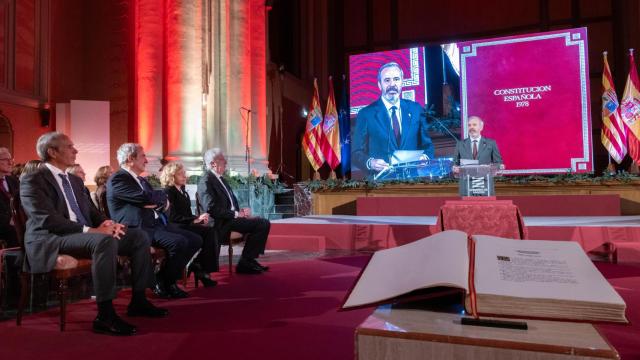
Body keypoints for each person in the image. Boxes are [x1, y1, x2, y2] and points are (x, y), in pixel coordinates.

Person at [20, 132, 167, 336]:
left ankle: (139, 301)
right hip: (51, 237)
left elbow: (90, 211)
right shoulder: (32, 179)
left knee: (138, 236)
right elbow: (46, 219)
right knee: (104, 242)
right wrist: (92, 230)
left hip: (81, 235)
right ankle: (105, 315)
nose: (76, 150)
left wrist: (107, 222)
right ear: (52, 152)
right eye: (70, 147)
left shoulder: (74, 180)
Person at [107, 143, 201, 298]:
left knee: (195, 239)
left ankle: (163, 278)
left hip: (156, 224)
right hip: (138, 228)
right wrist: (159, 199)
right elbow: (145, 198)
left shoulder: (141, 181)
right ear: (131, 159)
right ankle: (167, 282)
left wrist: (157, 200)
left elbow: (155, 199)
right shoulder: (118, 178)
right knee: (179, 242)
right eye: (143, 156)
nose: (147, 161)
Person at [352, 62, 434, 176]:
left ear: (401, 82)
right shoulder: (366, 114)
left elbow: (428, 146)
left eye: (396, 79)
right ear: (379, 85)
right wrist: (371, 163)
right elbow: (356, 153)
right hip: (381, 183)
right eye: (387, 80)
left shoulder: (416, 109)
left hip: (411, 182)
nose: (392, 84)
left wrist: (424, 158)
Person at [197, 148, 270, 274]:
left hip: (230, 219)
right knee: (261, 224)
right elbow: (211, 208)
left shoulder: (222, 179)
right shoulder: (206, 181)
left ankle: (247, 260)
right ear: (213, 163)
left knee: (262, 223)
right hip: (220, 223)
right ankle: (246, 262)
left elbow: (229, 204)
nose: (226, 162)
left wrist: (240, 211)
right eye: (222, 160)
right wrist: (236, 214)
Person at [160, 162, 219, 287]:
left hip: (184, 224)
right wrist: (194, 220)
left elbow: (186, 214)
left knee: (210, 231)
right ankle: (196, 267)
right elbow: (172, 217)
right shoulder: (168, 192)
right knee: (205, 234)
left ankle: (202, 269)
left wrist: (198, 218)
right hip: (174, 226)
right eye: (181, 174)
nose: (185, 176)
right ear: (172, 176)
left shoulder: (183, 191)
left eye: (184, 173)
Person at [0, 147, 19, 248]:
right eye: (6, 159)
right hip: (4, 226)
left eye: (11, 159)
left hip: (18, 223)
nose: (10, 163)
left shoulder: (13, 180)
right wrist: (9, 220)